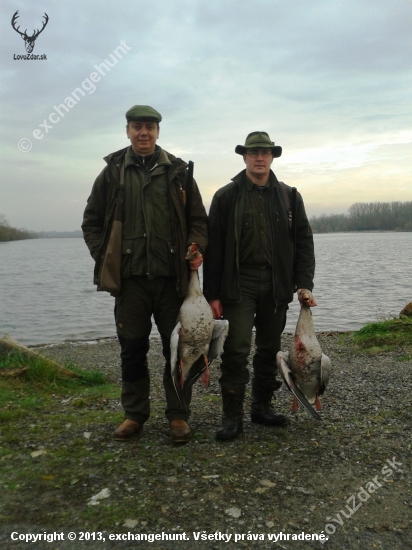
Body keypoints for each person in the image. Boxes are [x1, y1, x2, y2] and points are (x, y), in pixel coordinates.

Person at [82, 105, 208, 443]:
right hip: (131, 283)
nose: (143, 133)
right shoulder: (111, 174)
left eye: (149, 127)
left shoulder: (179, 172)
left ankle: (178, 416)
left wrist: (196, 248)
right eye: (137, 126)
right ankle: (134, 415)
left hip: (171, 282)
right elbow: (91, 222)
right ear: (127, 130)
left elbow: (198, 221)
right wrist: (105, 257)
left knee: (178, 351)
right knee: (132, 350)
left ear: (157, 132)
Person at [203, 131, 315, 441]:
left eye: (265, 152)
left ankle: (261, 407)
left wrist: (304, 283)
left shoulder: (289, 196)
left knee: (269, 348)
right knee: (236, 349)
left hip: (277, 284)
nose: (259, 157)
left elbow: (304, 242)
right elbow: (213, 249)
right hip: (239, 285)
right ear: (244, 157)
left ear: (272, 156)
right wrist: (211, 294)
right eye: (254, 152)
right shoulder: (226, 197)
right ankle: (231, 416)